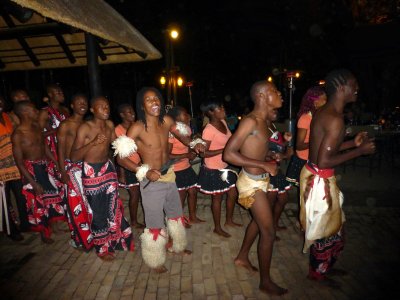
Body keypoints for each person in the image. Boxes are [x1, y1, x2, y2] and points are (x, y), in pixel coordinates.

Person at [114, 87, 205, 273]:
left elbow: (183, 137)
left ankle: (176, 245)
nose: (154, 102)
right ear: (142, 105)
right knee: (155, 223)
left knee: (175, 214)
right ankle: (154, 260)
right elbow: (120, 158)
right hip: (151, 180)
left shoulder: (167, 121)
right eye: (149, 100)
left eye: (156, 98)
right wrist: (144, 172)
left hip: (169, 174)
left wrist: (195, 143)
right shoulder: (137, 127)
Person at [300, 69, 375, 286]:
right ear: (341, 88)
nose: (357, 89)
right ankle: (317, 273)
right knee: (325, 231)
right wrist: (359, 152)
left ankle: (325, 268)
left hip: (317, 176)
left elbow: (324, 150)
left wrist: (353, 144)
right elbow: (324, 160)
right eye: (354, 85)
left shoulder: (326, 113)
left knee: (334, 227)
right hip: (319, 180)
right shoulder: (334, 119)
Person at [223, 81, 287, 295]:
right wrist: (264, 164)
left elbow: (254, 152)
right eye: (274, 91)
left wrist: (270, 157)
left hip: (261, 179)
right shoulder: (250, 121)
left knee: (258, 222)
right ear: (261, 96)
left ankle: (242, 256)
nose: (279, 94)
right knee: (268, 232)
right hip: (250, 183)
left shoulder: (265, 122)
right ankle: (265, 282)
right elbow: (228, 154)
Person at [71, 96, 133, 261]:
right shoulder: (85, 128)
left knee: (113, 207)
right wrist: (92, 143)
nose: (106, 109)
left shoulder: (110, 125)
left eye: (107, 106)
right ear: (93, 110)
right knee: (97, 211)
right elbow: (74, 156)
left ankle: (116, 240)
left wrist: (129, 147)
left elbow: (115, 148)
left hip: (108, 169)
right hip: (91, 173)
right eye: (101, 107)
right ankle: (102, 248)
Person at [12, 101, 66, 244]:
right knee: (38, 202)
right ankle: (44, 233)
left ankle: (54, 227)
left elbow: (44, 147)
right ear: (24, 113)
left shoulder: (36, 127)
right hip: (31, 169)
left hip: (44, 165)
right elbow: (19, 161)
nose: (36, 111)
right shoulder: (18, 134)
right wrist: (32, 182)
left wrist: (55, 162)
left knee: (52, 196)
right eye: (32, 109)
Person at [197, 98, 242, 238]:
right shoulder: (209, 130)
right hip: (213, 168)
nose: (223, 110)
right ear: (211, 112)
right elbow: (204, 153)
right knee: (217, 198)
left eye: (222, 107)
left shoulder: (223, 122)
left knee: (233, 193)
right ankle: (217, 227)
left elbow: (230, 138)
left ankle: (229, 221)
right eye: (219, 108)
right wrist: (224, 150)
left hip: (225, 165)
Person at [57, 94, 93, 250]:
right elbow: (60, 150)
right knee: (74, 206)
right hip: (70, 168)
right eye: (79, 102)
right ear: (72, 105)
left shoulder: (87, 124)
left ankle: (91, 234)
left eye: (84, 101)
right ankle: (78, 238)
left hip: (85, 167)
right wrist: (63, 173)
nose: (82, 104)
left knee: (88, 203)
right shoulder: (66, 125)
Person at [167, 106, 205, 225]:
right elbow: (167, 156)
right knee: (180, 198)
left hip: (186, 166)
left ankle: (193, 216)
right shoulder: (171, 133)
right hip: (176, 168)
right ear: (177, 117)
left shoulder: (186, 128)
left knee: (193, 191)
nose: (188, 115)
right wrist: (187, 155)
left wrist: (192, 152)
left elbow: (190, 146)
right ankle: (179, 220)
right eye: (185, 114)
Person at [286, 86, 327, 186]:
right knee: (307, 191)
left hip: (315, 157)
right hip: (304, 159)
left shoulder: (319, 117)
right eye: (325, 99)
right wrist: (318, 142)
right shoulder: (305, 119)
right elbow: (299, 146)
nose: (327, 101)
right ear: (315, 102)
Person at [114, 103, 144, 229]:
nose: (132, 113)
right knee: (135, 194)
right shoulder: (118, 130)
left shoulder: (138, 126)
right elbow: (119, 153)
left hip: (142, 164)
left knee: (143, 193)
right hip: (128, 166)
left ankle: (142, 217)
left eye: (132, 110)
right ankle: (133, 221)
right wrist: (121, 174)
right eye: (128, 111)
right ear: (122, 115)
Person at [0, 95, 24, 241]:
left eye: (1, 100)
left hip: (14, 164)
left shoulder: (7, 117)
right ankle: (11, 230)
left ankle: (24, 224)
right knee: (5, 201)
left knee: (21, 196)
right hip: (1, 168)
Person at [266, 123, 293, 235]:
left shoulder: (271, 125)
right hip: (267, 171)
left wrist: (287, 141)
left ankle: (274, 224)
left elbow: (282, 150)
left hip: (276, 170)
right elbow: (256, 152)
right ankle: (268, 231)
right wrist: (272, 155)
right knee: (269, 204)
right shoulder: (261, 127)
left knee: (283, 199)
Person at [39, 83, 70, 160]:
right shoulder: (45, 112)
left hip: (67, 148)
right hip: (53, 150)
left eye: (62, 92)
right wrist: (57, 130)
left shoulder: (65, 110)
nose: (62, 94)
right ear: (50, 94)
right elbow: (38, 135)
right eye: (58, 92)